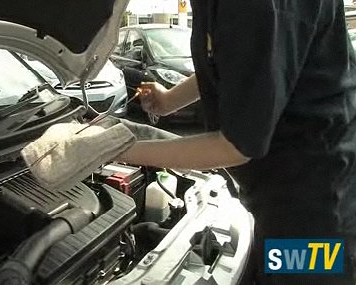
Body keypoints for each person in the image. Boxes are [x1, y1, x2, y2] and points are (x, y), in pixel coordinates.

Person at [119, 0, 356, 284]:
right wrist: (170, 100)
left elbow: (237, 146)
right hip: (279, 199)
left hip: (313, 218)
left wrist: (115, 150)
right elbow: (244, 60)